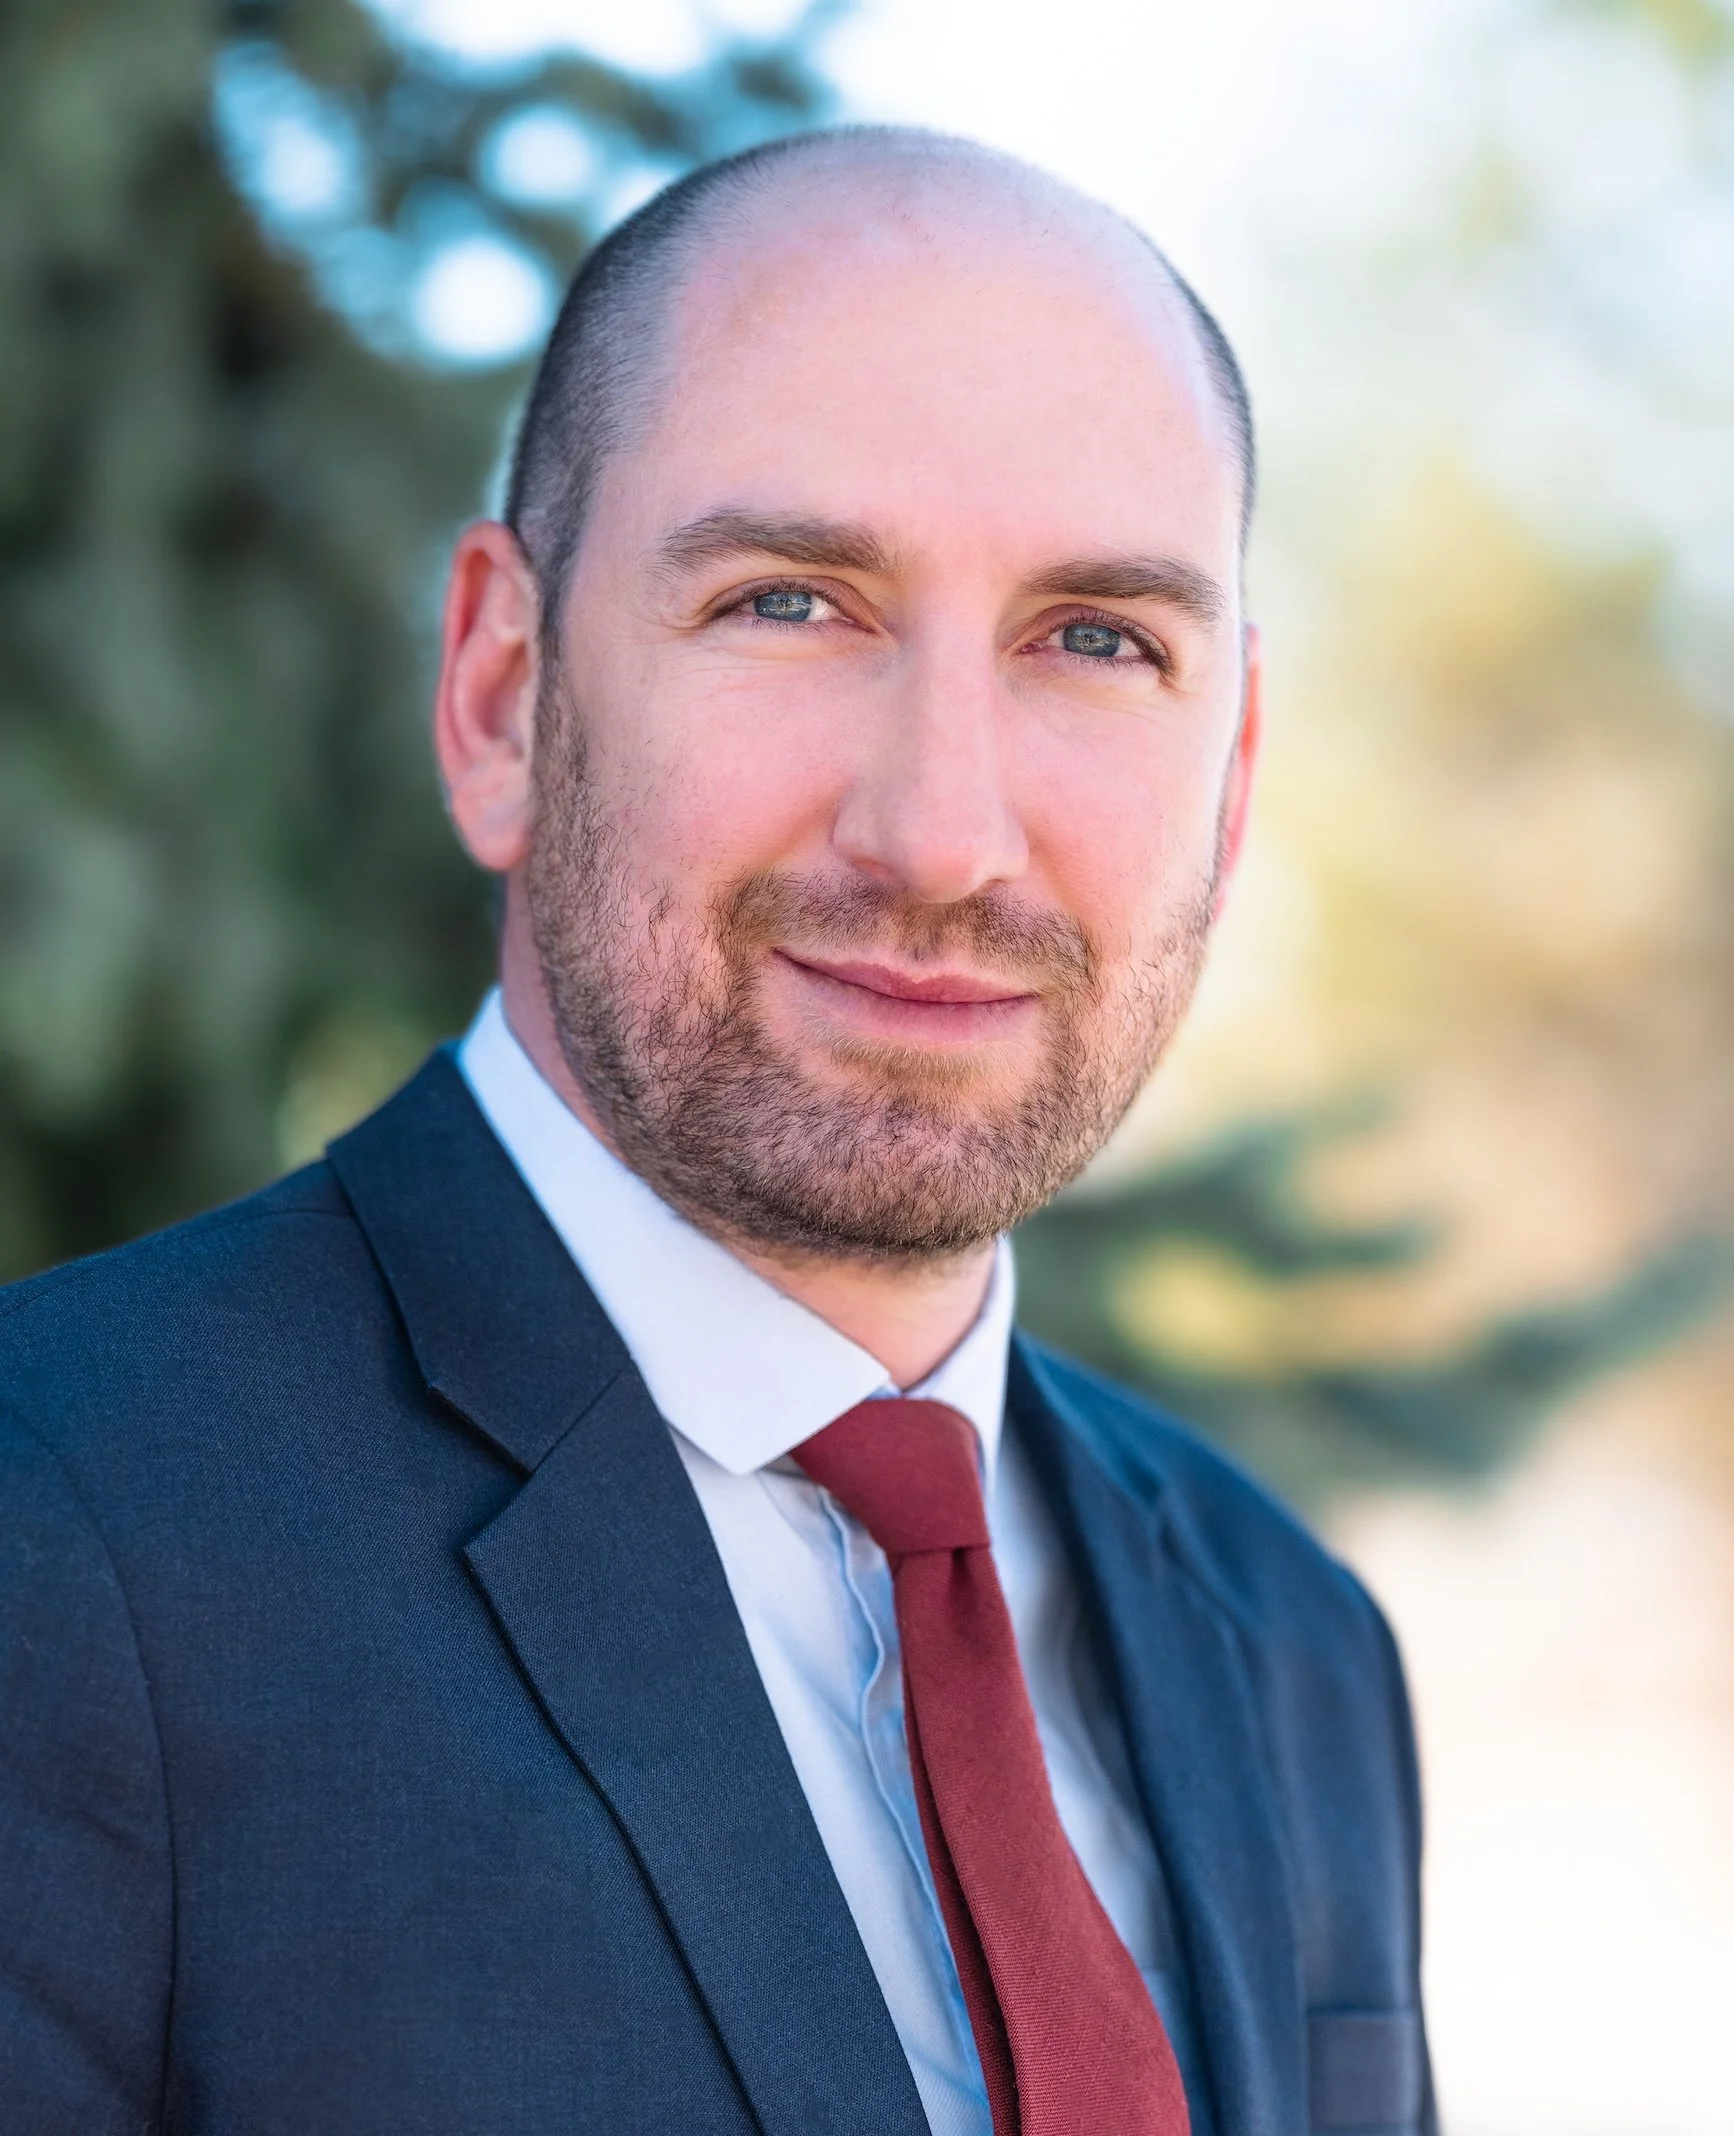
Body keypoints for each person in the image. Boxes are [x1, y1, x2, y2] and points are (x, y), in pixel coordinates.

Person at [0, 128, 1434, 2136]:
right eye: (791, 601)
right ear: (503, 693)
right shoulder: (54, 1545)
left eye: (1100, 639)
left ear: (1235, 767)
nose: (942, 833)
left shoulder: (1296, 1651)